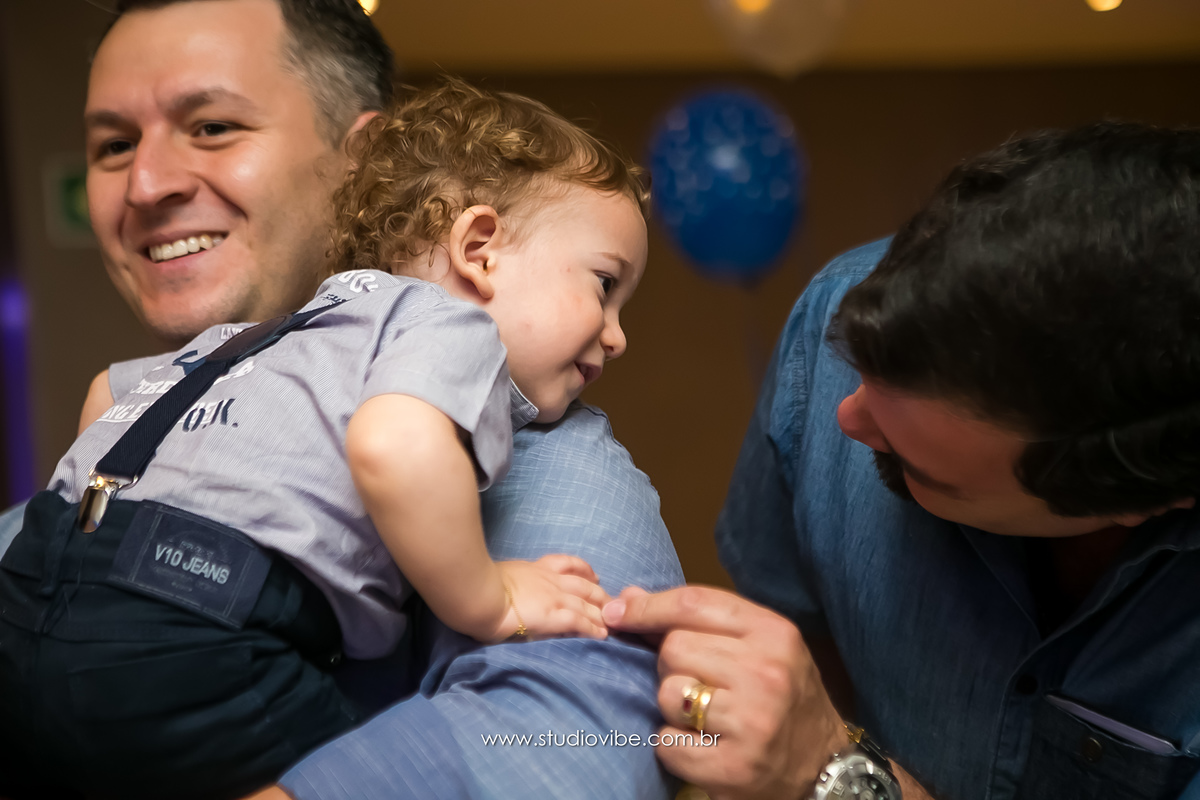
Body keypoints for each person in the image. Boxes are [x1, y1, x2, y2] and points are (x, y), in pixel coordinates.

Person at [0, 1, 683, 797]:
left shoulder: (264, 345)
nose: (147, 184)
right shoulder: (446, 327)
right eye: (115, 145)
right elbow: (394, 446)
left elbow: (564, 742)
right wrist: (493, 599)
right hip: (195, 604)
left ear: (358, 157)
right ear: (477, 248)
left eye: (213, 127)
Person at [606, 122, 1200, 800]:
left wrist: (833, 772)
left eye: (920, 469)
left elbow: (814, 752)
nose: (844, 420)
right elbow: (801, 636)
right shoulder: (834, 311)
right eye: (859, 367)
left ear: (1138, 498)